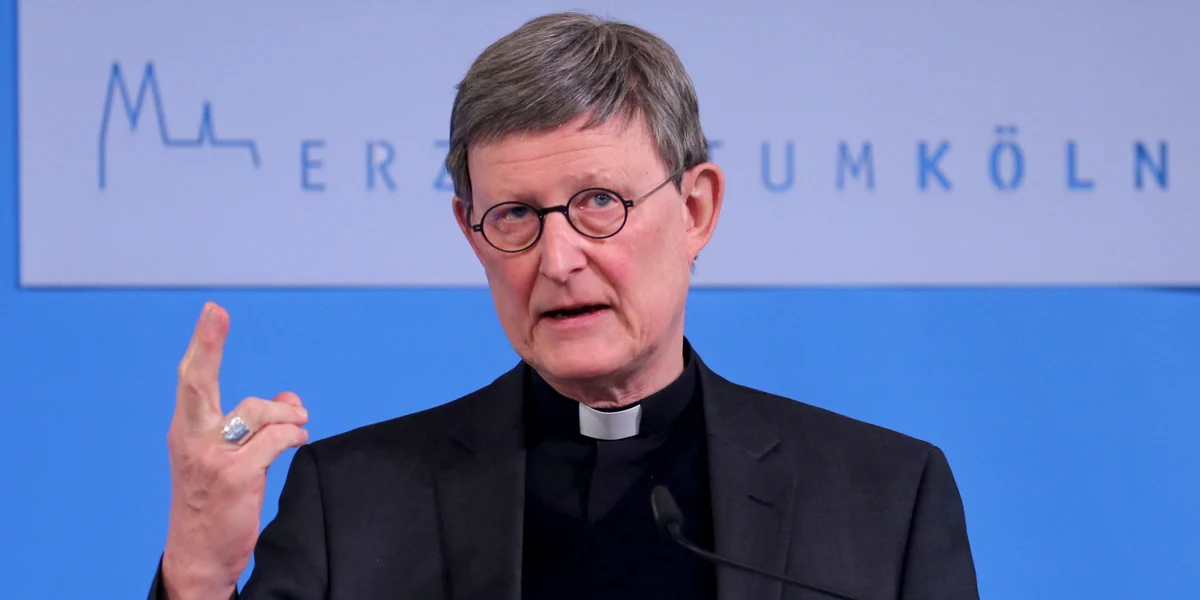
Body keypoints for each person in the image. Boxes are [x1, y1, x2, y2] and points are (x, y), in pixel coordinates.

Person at [149, 11, 979, 600]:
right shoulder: (353, 504)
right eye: (516, 215)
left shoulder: (883, 498)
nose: (557, 259)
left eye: (599, 202)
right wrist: (196, 579)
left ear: (696, 210)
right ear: (471, 233)